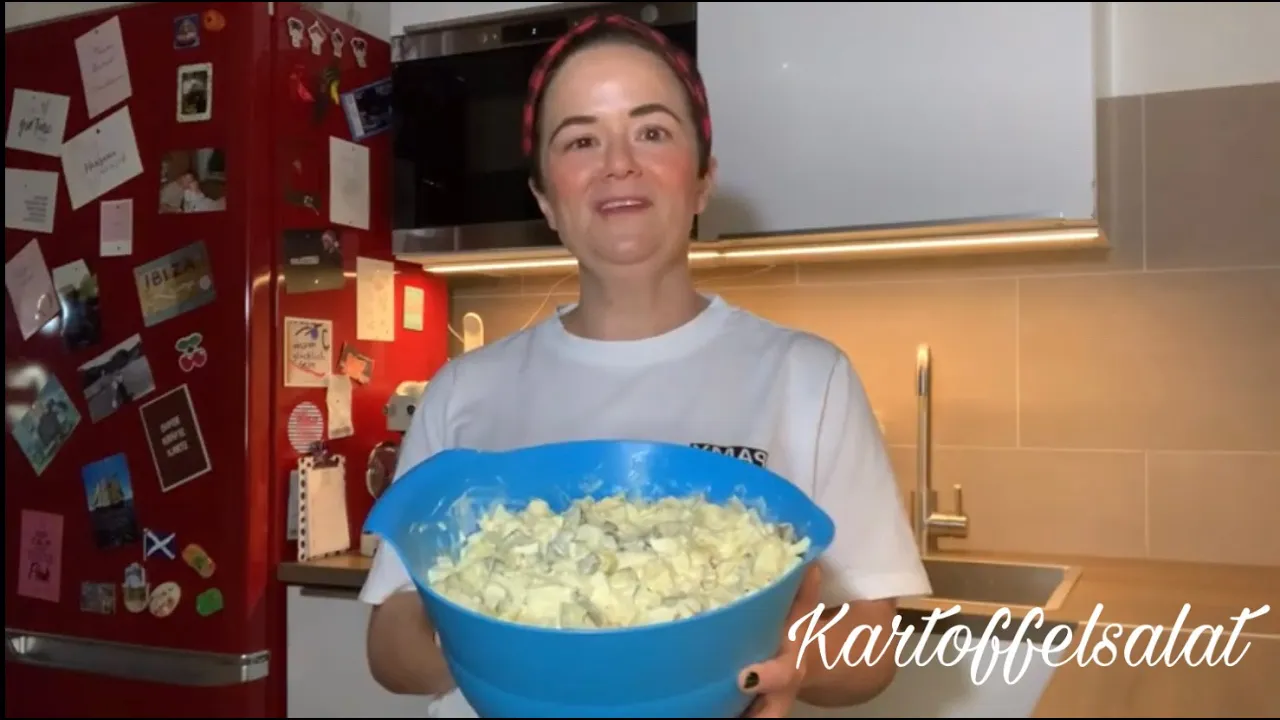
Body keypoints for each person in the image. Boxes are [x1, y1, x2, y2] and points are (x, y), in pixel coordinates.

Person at [360, 13, 931, 718]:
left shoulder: (807, 377)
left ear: (701, 180)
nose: (618, 162)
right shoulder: (464, 389)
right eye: (580, 140)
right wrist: (500, 625)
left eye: (652, 131)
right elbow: (388, 642)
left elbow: (872, 648)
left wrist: (787, 663)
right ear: (545, 199)